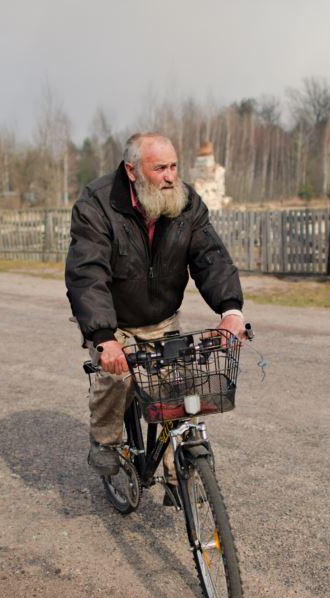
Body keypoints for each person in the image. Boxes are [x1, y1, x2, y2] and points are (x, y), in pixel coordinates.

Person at [66, 132, 245, 485]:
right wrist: (104, 337)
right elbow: (87, 273)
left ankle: (180, 474)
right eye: (160, 167)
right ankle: (105, 442)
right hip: (115, 322)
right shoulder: (97, 204)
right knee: (117, 378)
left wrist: (231, 311)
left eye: (174, 166)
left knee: (180, 385)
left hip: (162, 319)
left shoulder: (186, 202)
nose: (170, 176)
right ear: (131, 171)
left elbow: (211, 258)